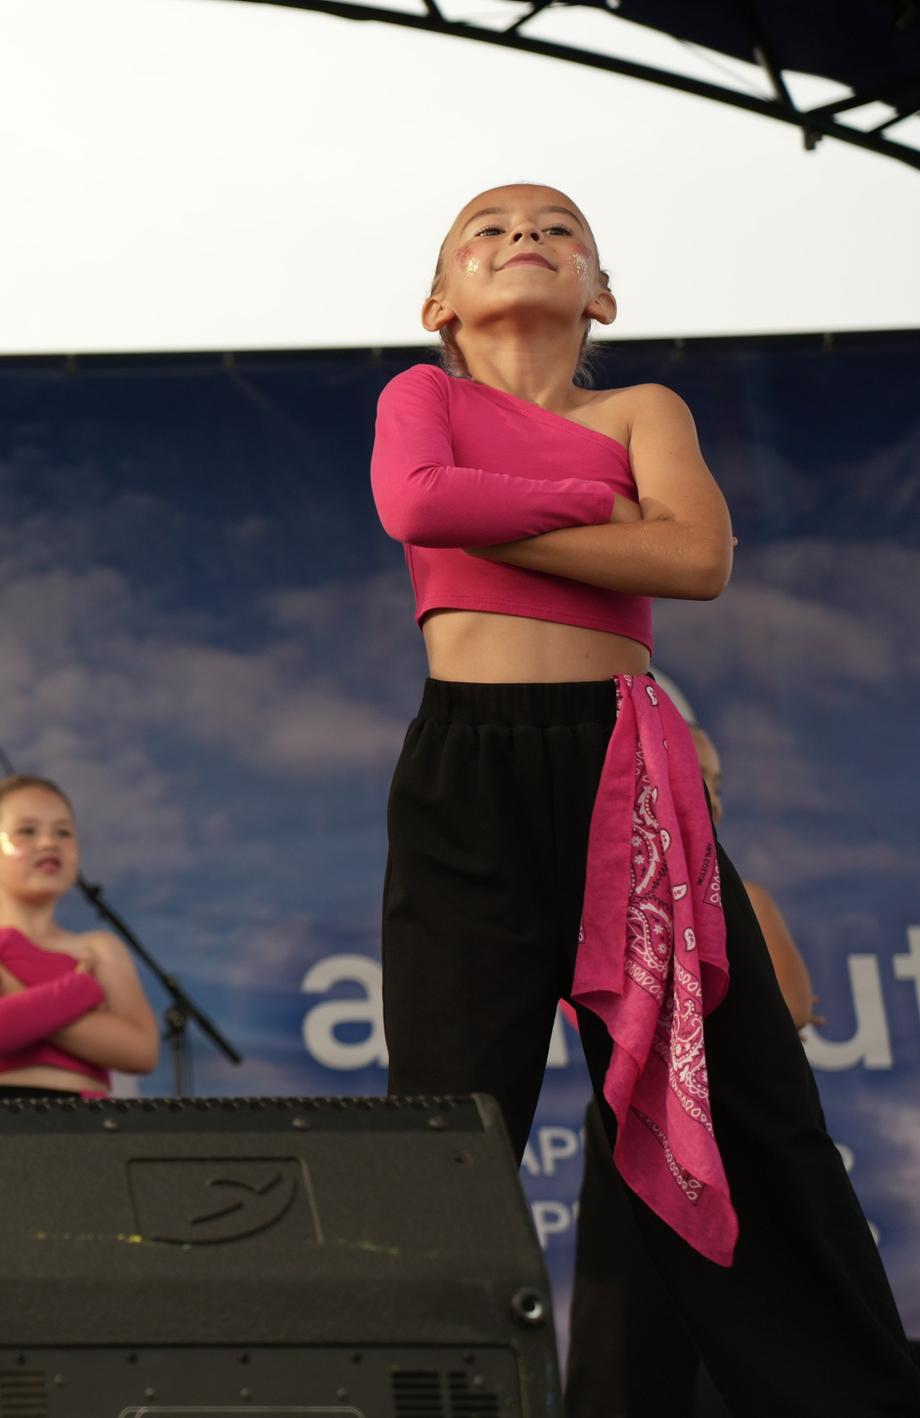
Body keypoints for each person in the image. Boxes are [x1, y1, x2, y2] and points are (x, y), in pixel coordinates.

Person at [369, 185, 920, 1415]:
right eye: (488, 228)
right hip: (468, 773)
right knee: (445, 1120)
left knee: (741, 1112)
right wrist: (597, 507)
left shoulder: (640, 408)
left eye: (558, 229)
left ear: (601, 294)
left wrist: (513, 514)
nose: (524, 236)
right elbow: (417, 502)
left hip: (625, 773)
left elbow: (693, 559)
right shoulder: (422, 399)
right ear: (438, 306)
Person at [566, 717, 821, 1418]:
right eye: (693, 777)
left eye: (716, 784)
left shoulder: (745, 896)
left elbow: (791, 1005)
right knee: (626, 1322)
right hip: (635, 1119)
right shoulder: (606, 890)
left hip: (728, 1116)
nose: (708, 796)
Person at [0, 776, 158, 1100]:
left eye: (63, 832)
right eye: (27, 831)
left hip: (97, 1129)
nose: (48, 843)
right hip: (3, 1124)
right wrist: (78, 992)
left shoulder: (100, 947)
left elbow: (141, 1051)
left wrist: (19, 998)